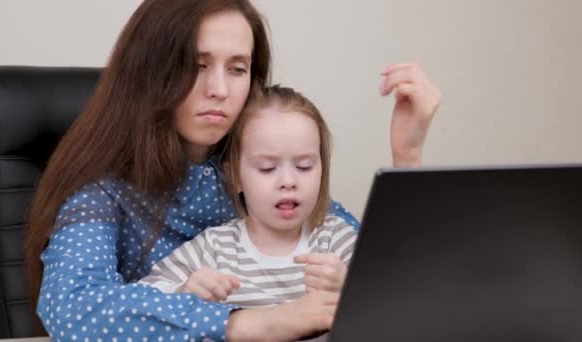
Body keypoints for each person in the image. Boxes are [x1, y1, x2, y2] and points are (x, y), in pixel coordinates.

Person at [24, 0, 441, 340]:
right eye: (198, 65)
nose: (220, 90)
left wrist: (407, 155)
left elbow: (391, 278)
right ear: (151, 70)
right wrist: (258, 322)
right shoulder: (102, 191)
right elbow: (71, 308)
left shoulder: (263, 169)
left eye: (237, 68)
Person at [139, 85, 358, 309]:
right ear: (235, 177)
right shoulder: (215, 247)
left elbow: (385, 299)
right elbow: (145, 297)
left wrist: (347, 284)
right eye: (267, 168)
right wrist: (184, 291)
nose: (288, 181)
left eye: (304, 166)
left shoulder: (334, 238)